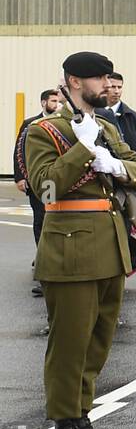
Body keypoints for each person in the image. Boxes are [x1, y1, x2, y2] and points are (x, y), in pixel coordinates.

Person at [21, 52, 136, 429]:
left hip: (110, 248)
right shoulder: (43, 131)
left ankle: (83, 420)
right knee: (70, 344)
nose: (107, 83)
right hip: (70, 250)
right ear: (75, 81)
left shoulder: (107, 127)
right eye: (99, 78)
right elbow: (45, 188)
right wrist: (83, 149)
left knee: (98, 340)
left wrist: (111, 161)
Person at [14, 89, 65, 296]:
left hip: (52, 182)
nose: (57, 103)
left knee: (52, 219)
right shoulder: (31, 124)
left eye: (57, 100)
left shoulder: (62, 123)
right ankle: (43, 256)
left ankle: (50, 261)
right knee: (40, 219)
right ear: (44, 102)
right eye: (53, 100)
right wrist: (20, 177)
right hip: (37, 181)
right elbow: (19, 149)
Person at [98, 72, 136, 158]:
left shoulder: (134, 118)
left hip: (128, 168)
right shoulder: (93, 114)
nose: (116, 91)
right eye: (113, 87)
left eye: (119, 87)